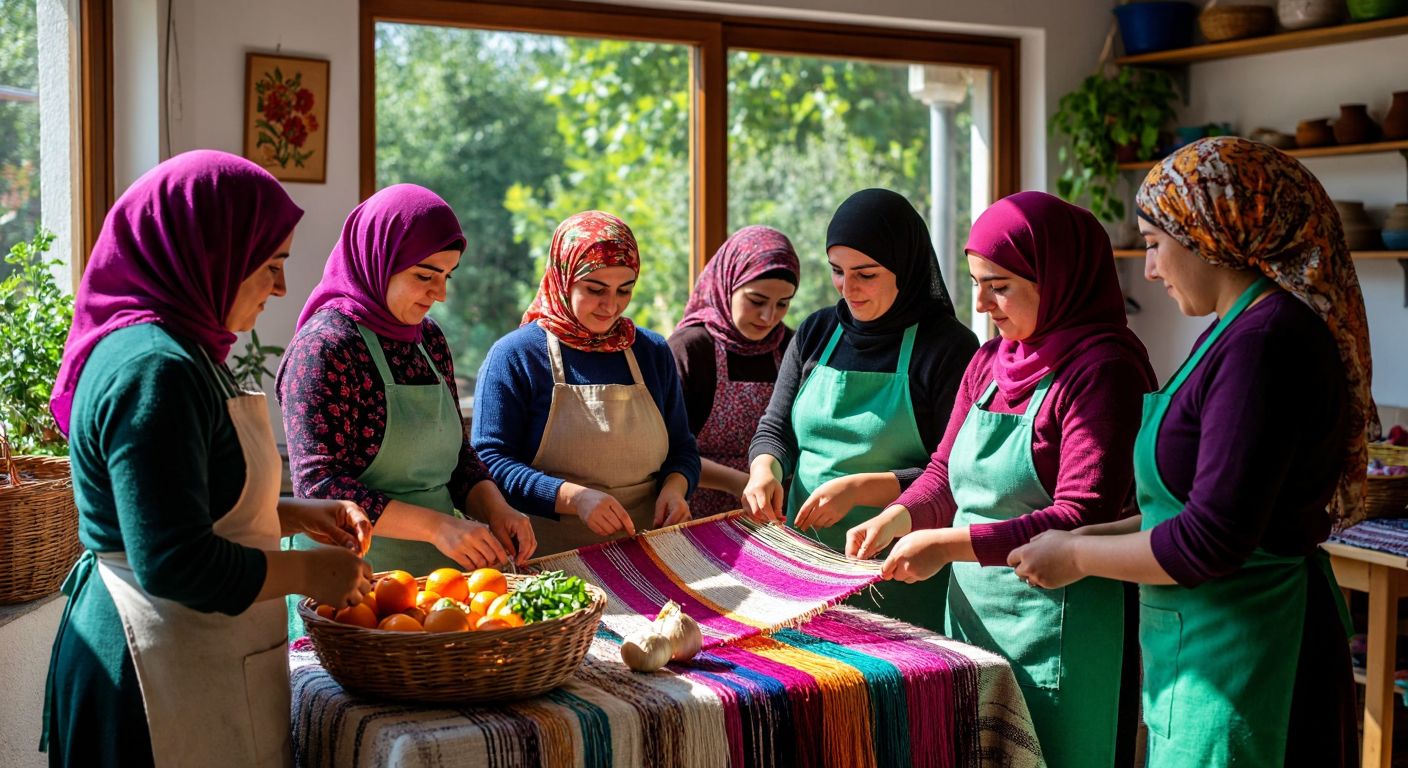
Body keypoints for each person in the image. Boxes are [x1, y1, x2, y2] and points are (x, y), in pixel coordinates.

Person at [1009, 137, 1370, 767]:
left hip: (1251, 659)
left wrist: (1077, 555)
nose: (1149, 269)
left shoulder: (1264, 344)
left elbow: (1210, 540)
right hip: (1208, 650)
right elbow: (1188, 505)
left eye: (1154, 244)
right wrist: (1096, 532)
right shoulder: (1232, 331)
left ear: (1210, 232)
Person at [42, 150, 372, 767]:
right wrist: (310, 572)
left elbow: (187, 496)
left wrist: (292, 513)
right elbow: (173, 560)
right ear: (211, 253)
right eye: (271, 265)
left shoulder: (187, 352)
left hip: (192, 655)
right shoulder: (153, 368)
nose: (282, 287)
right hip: (149, 676)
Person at [846, 191, 1155, 767]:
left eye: (1000, 285)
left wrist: (948, 545)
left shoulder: (1104, 371)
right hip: (975, 626)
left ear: (1056, 279)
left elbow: (1082, 516)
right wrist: (898, 517)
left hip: (1065, 636)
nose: (982, 303)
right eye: (975, 283)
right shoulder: (990, 362)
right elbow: (944, 472)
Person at [279, 185, 536, 600]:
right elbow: (319, 487)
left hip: (438, 582)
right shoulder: (325, 347)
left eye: (447, 276)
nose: (441, 293)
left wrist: (496, 509)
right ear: (378, 260)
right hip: (351, 584)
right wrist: (437, 527)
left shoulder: (427, 340)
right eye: (424, 275)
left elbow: (458, 458)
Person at [743, 188, 978, 629]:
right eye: (837, 271)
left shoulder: (948, 348)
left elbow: (955, 475)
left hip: (900, 576)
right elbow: (776, 429)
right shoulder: (816, 332)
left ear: (904, 268)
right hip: (804, 566)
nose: (847, 289)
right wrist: (764, 471)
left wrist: (860, 489)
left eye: (865, 274)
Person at [472, 211, 700, 555]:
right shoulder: (515, 356)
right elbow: (490, 462)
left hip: (649, 549)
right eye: (595, 289)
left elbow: (683, 448)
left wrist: (675, 488)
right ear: (563, 278)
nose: (611, 305)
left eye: (625, 290)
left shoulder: (652, 352)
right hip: (548, 557)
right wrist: (574, 498)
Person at [669, 225, 799, 518]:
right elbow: (668, 449)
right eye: (756, 301)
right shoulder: (690, 349)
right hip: (698, 515)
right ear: (727, 284)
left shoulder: (793, 347)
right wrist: (741, 483)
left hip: (776, 514)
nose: (768, 317)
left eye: (783, 304)